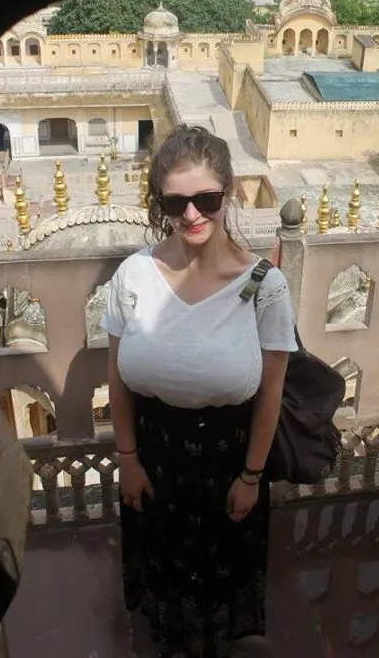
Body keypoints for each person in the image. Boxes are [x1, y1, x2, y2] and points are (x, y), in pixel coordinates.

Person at [101, 124, 298, 658]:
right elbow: (116, 375)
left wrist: (251, 477)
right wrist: (128, 459)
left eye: (206, 199)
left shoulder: (264, 286)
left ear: (228, 194)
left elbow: (271, 393)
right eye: (176, 202)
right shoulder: (134, 276)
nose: (192, 215)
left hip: (227, 460)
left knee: (219, 579)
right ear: (160, 204)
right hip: (154, 455)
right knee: (163, 573)